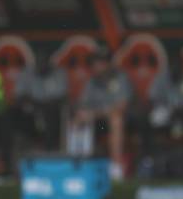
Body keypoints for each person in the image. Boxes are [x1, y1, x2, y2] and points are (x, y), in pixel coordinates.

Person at [71, 46, 132, 180]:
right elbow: (82, 104)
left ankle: (116, 168)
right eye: (96, 63)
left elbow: (121, 107)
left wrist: (94, 114)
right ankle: (76, 166)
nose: (98, 66)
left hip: (124, 121)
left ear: (109, 64)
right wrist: (83, 113)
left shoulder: (120, 77)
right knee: (77, 119)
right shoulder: (92, 82)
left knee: (116, 119)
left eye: (102, 62)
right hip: (99, 120)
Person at [12, 48, 67, 151]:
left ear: (48, 61)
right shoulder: (26, 72)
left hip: (51, 111)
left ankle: (50, 150)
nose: (41, 63)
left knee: (51, 111)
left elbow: (62, 96)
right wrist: (34, 103)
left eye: (44, 60)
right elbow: (18, 96)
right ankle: (16, 156)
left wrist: (44, 105)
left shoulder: (58, 73)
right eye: (39, 60)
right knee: (13, 113)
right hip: (30, 111)